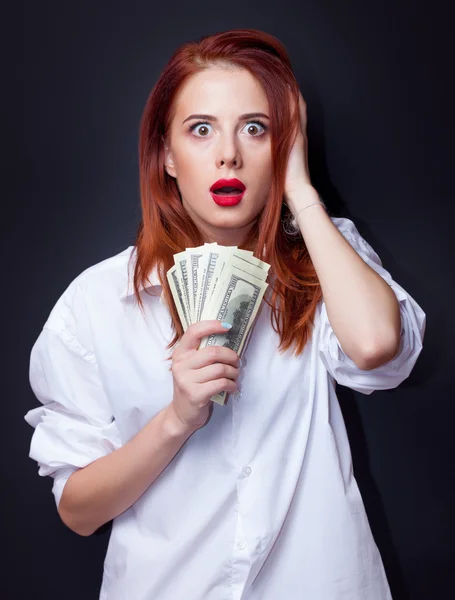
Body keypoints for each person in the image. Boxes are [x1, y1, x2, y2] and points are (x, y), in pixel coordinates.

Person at [24, 28, 426, 600]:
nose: (229, 154)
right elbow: (79, 513)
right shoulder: (96, 301)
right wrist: (175, 420)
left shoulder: (325, 260)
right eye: (201, 129)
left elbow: (377, 347)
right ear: (166, 154)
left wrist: (300, 190)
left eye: (256, 129)